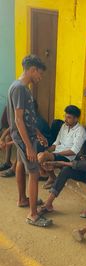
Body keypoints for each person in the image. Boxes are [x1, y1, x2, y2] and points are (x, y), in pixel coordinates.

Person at [6, 54, 52, 227]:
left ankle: (22, 199)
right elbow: (18, 120)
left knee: (20, 163)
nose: (40, 78)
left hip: (26, 135)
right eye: (39, 74)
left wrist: (38, 132)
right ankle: (33, 214)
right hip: (24, 138)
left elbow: (26, 117)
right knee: (33, 173)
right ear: (32, 70)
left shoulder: (20, 87)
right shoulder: (20, 88)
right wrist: (29, 146)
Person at [38, 105, 86, 189]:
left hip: (68, 157)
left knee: (42, 157)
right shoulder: (64, 126)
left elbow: (73, 151)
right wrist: (47, 151)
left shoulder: (80, 131)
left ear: (76, 119)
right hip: (57, 152)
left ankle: (51, 177)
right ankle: (52, 177)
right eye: (65, 116)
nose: (65, 119)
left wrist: (54, 154)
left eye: (69, 117)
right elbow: (56, 143)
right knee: (40, 155)